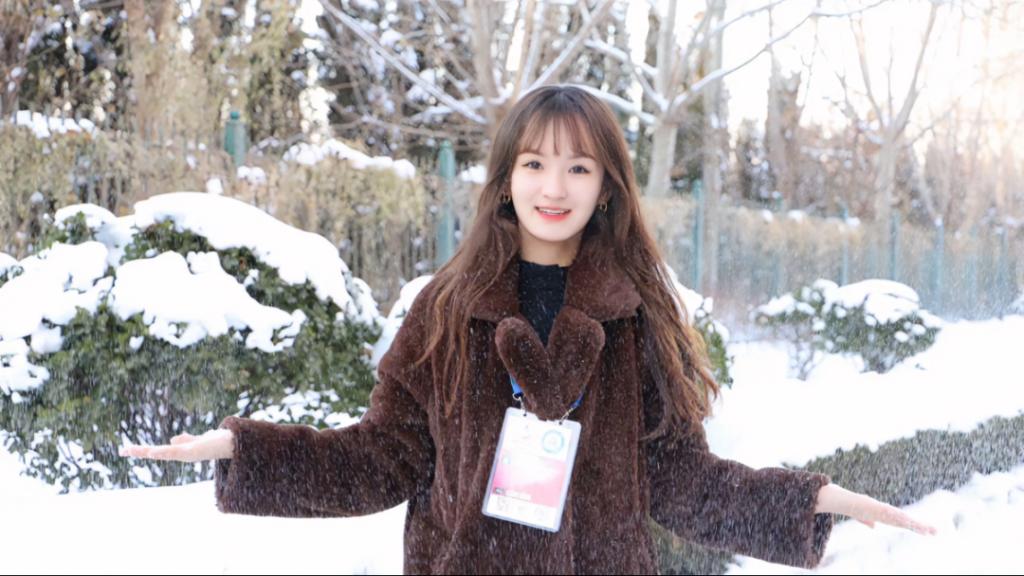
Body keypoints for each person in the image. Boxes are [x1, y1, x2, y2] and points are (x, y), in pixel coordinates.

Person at [120, 85, 936, 574]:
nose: (555, 186)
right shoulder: (447, 309)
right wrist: (246, 452)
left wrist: (809, 501)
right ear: (506, 179)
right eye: (536, 163)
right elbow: (379, 459)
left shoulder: (636, 314)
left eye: (579, 167)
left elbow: (681, 480)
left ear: (606, 187)